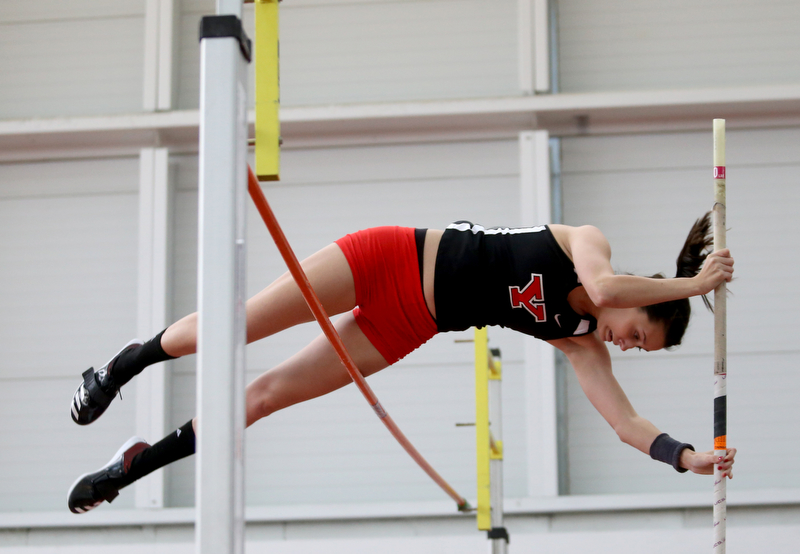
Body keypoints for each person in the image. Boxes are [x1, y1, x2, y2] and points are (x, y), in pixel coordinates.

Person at [67, 213, 736, 514]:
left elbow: (625, 424)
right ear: (647, 303)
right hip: (390, 258)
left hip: (412, 322)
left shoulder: (581, 340)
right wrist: (694, 287)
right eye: (638, 339)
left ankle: (132, 467)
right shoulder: (591, 247)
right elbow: (612, 288)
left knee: (266, 396)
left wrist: (686, 458)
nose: (624, 345)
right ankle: (120, 368)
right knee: (235, 329)